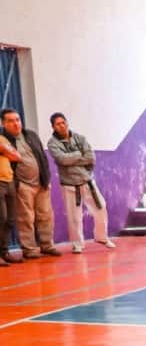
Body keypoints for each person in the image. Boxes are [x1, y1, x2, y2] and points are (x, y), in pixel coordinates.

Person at [46, 113, 114, 254]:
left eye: (63, 122)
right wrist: (78, 155)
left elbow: (91, 157)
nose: (62, 125)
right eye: (58, 124)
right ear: (53, 127)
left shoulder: (80, 138)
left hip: (87, 180)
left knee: (101, 207)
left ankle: (102, 237)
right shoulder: (52, 143)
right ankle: (77, 244)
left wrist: (73, 160)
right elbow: (62, 160)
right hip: (69, 184)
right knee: (74, 217)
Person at [1, 109, 59, 259]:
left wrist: (46, 178)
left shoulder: (31, 135)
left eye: (17, 120)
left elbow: (42, 157)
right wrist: (17, 183)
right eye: (11, 121)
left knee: (46, 216)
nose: (16, 123)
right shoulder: (3, 139)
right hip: (23, 185)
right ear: (3, 123)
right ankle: (30, 249)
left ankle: (47, 245)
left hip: (41, 183)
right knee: (25, 219)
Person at [0, 126, 19, 264]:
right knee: (1, 218)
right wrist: (6, 151)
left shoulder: (3, 138)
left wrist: (4, 149)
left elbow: (17, 157)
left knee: (11, 219)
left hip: (9, 180)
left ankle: (4, 251)